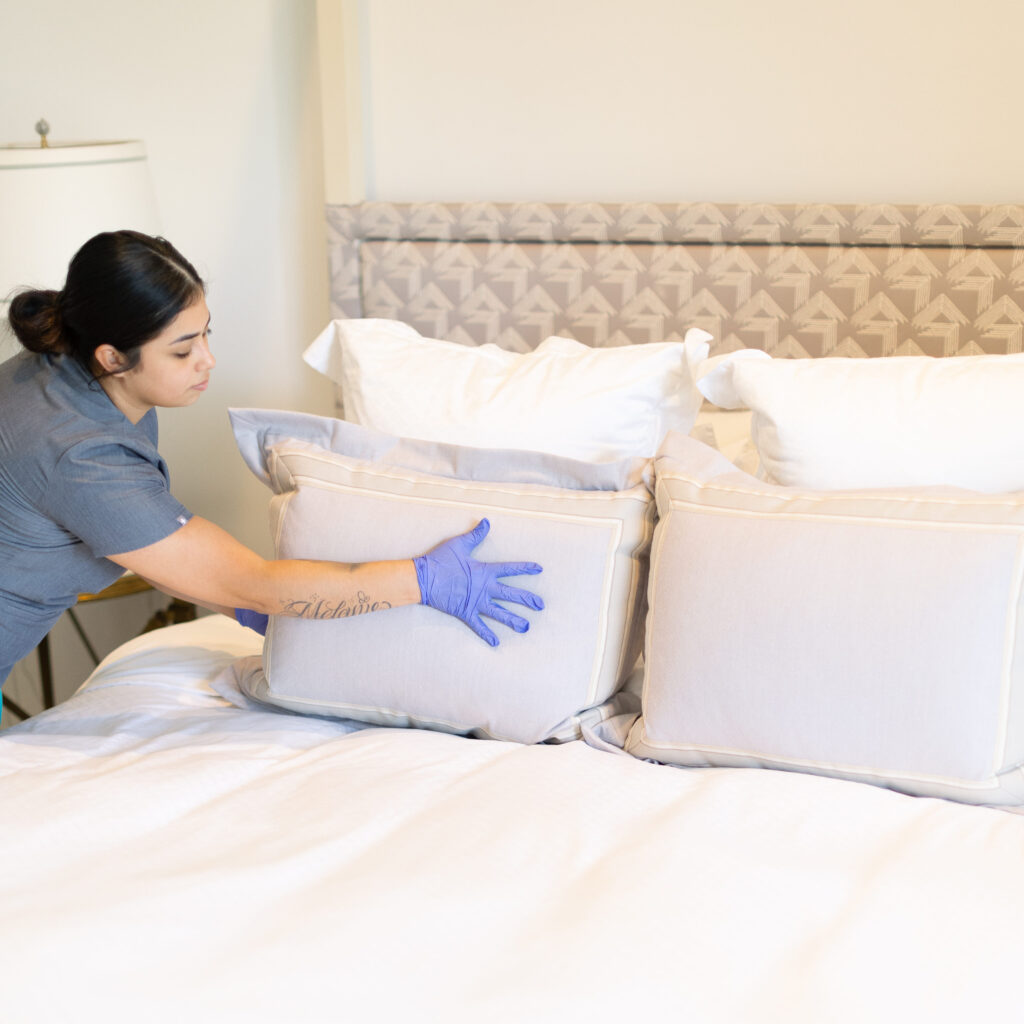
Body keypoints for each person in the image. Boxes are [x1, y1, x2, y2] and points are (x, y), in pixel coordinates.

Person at [0, 230, 544, 691]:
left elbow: (145, 540)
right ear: (113, 357)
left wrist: (246, 604)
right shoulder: (80, 452)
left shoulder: (58, 368)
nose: (208, 360)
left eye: (206, 333)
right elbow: (251, 580)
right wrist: (421, 581)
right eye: (183, 350)